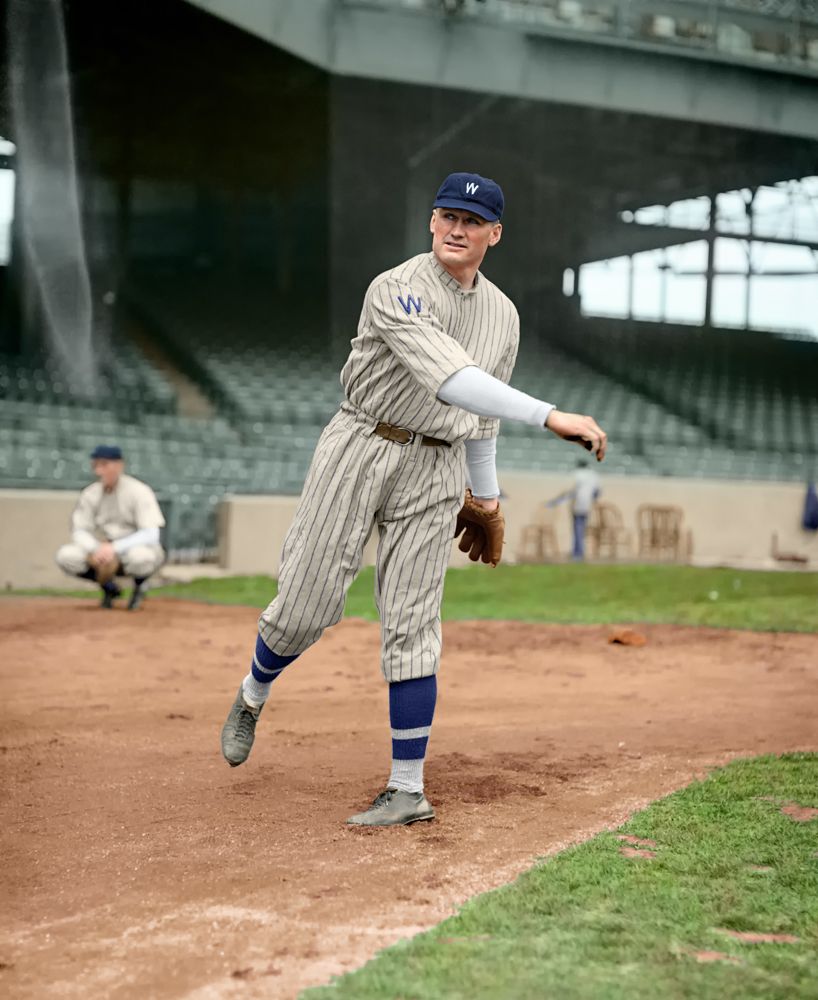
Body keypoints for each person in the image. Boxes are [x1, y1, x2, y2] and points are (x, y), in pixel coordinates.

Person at [220, 172, 607, 827]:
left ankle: (407, 789)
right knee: (305, 607)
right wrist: (549, 416)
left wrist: (485, 498)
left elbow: (478, 419)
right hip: (360, 445)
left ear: (495, 234)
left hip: (437, 466)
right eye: (447, 215)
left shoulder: (503, 315)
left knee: (414, 625)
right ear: (432, 221)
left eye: (472, 220)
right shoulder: (397, 288)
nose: (457, 228)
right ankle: (254, 691)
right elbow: (454, 381)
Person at [55, 445, 166, 610]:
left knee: (141, 558)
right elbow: (79, 530)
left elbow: (151, 534)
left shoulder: (139, 491)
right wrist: (96, 548)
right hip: (102, 548)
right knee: (66, 556)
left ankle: (140, 586)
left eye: (105, 465)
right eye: (96, 466)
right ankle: (109, 588)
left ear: (119, 465)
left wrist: (115, 548)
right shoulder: (90, 493)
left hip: (132, 548)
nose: (100, 471)